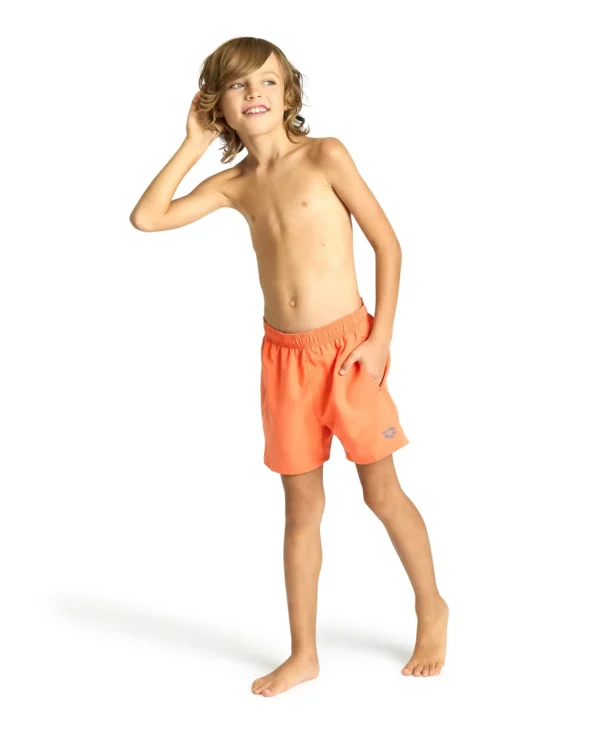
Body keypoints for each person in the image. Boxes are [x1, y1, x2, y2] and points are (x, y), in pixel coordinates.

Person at [130, 36, 449, 697]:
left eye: (267, 82)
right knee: (301, 508)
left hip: (349, 350)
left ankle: (432, 607)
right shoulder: (234, 185)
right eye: (238, 85)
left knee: (381, 493)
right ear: (218, 104)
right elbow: (147, 218)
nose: (255, 94)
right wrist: (192, 142)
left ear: (288, 93)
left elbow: (389, 246)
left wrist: (380, 339)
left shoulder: (326, 155)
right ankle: (304, 653)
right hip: (284, 360)